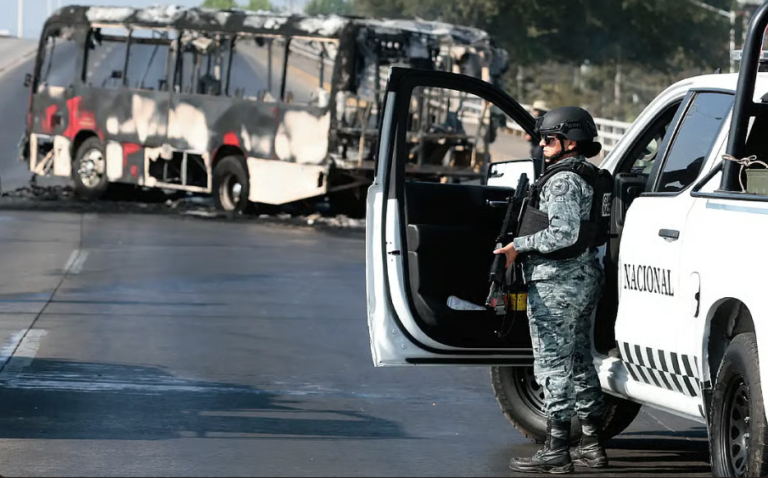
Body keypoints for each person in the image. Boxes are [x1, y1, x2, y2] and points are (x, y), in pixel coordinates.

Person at [494, 106, 608, 474]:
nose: (541, 144)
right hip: (583, 276)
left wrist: (518, 247)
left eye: (548, 139)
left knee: (552, 365)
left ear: (569, 141)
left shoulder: (562, 180)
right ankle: (591, 443)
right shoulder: (587, 174)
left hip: (557, 282)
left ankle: (556, 448)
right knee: (578, 362)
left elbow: (563, 233)